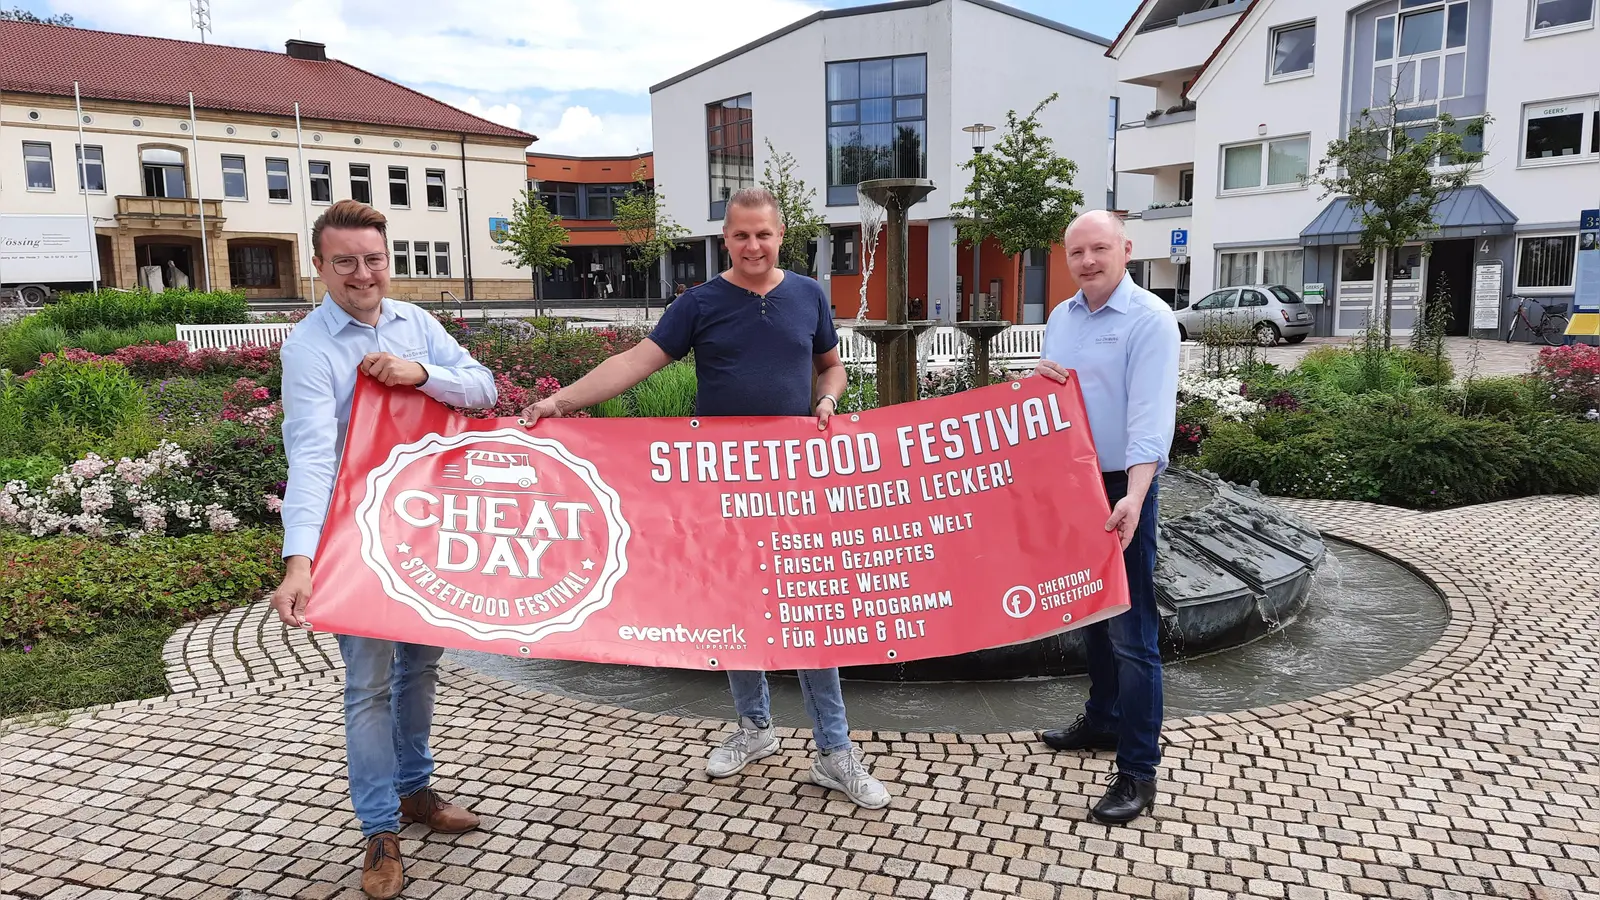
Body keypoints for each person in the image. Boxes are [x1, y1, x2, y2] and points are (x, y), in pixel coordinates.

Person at [521, 187, 891, 809]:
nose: (753, 246)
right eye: (741, 236)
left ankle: (835, 751)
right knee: (737, 605)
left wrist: (826, 399)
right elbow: (637, 361)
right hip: (719, 482)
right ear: (726, 239)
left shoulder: (808, 295)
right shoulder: (700, 303)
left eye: (764, 235)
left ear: (781, 237)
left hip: (791, 480)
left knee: (809, 611)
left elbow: (831, 366)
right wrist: (561, 402)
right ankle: (755, 728)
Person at [271, 199, 497, 898]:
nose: (362, 274)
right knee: (367, 684)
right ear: (319, 266)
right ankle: (380, 831)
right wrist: (299, 562)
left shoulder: (416, 325)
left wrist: (420, 374)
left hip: (422, 527)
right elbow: (310, 456)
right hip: (353, 536)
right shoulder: (310, 347)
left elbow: (485, 390)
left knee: (420, 670)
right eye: (345, 262)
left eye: (373, 260)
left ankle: (415, 791)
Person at [1032, 210, 1179, 825]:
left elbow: (1150, 418)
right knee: (1090, 610)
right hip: (1074, 482)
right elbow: (1053, 398)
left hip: (1124, 484)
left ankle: (1138, 770)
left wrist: (1136, 495)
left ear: (1125, 249)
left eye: (1099, 249)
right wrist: (1036, 384)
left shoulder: (1149, 319)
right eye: (1076, 252)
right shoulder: (1062, 318)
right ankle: (1103, 720)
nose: (1087, 261)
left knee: (1132, 629)